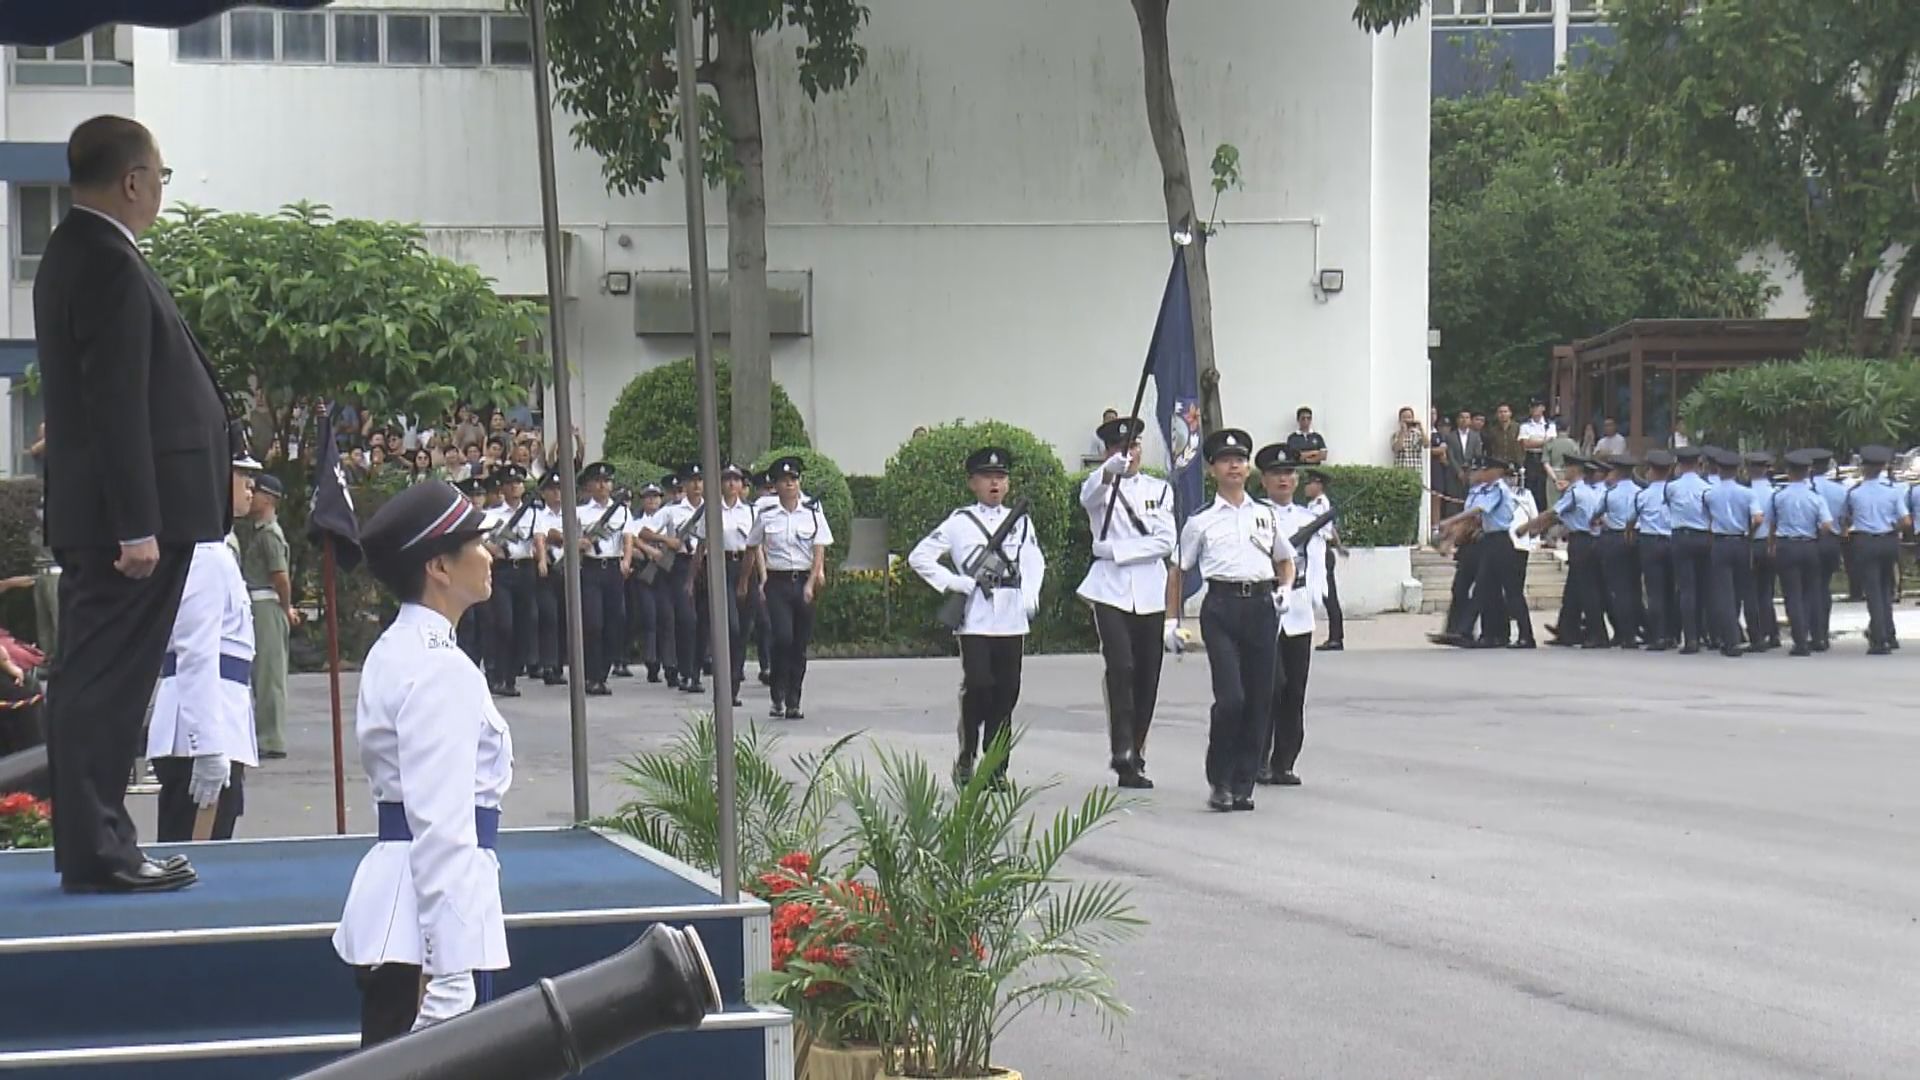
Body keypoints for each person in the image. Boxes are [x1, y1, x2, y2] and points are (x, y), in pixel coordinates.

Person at [38, 116, 231, 895]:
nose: (158, 190)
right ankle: (102, 850)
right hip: (126, 524)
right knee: (106, 685)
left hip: (117, 512)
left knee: (103, 680)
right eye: (161, 176)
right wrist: (137, 524)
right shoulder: (107, 262)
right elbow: (116, 404)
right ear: (133, 180)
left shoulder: (79, 252)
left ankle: (97, 844)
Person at [332, 480, 512, 1047]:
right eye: (476, 544)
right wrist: (450, 970)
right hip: (425, 924)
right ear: (438, 565)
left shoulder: (397, 648)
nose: (489, 556)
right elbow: (441, 826)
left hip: (404, 906)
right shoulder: (442, 669)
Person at [908, 447, 1046, 788]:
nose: (995, 484)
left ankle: (996, 767)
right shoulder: (959, 522)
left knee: (1007, 692)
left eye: (1000, 477)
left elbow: (1032, 560)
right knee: (980, 685)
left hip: (1011, 617)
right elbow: (919, 557)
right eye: (987, 477)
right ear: (973, 483)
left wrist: (1031, 594)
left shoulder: (1020, 522)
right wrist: (956, 582)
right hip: (976, 619)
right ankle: (968, 751)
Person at [148, 446, 261, 843]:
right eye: (240, 474)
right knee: (194, 867)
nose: (251, 485)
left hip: (215, 720)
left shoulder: (215, 551)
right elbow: (196, 652)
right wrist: (209, 746)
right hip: (200, 733)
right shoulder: (205, 554)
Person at [1177, 430, 1294, 812]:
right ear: (1212, 469)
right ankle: (1220, 778)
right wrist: (1170, 620)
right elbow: (1179, 569)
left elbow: (1284, 560)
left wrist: (1286, 588)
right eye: (1226, 460)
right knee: (1231, 699)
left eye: (1240, 460)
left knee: (1261, 698)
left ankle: (1242, 784)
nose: (1234, 466)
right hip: (1222, 607)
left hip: (1261, 605)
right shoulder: (1201, 520)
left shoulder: (1265, 514)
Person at [1075, 418, 1175, 790]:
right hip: (1109, 590)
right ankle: (1121, 750)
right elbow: (1088, 497)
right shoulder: (1101, 487)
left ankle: (1137, 747)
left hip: (1149, 588)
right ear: (1107, 453)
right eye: (1119, 449)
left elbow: (1164, 542)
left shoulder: (1159, 490)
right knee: (1120, 666)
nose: (1127, 454)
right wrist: (1106, 473)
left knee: (1147, 674)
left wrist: (1116, 551)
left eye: (1132, 447)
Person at [1255, 445, 1321, 786]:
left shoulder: (1308, 519)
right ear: (1264, 480)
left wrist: (1316, 598)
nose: (1284, 479)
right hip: (1265, 604)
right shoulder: (1254, 514)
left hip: (1297, 607)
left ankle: (1284, 761)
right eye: (1277, 474)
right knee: (1269, 686)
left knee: (1294, 689)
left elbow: (1319, 560)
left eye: (1289, 473)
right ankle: (1258, 758)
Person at [749, 457, 834, 720]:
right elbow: (753, 546)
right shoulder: (767, 515)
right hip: (778, 581)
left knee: (799, 644)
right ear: (775, 486)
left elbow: (819, 548)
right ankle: (778, 693)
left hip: (803, 581)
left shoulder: (812, 513)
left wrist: (812, 581)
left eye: (794, 479)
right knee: (782, 638)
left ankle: (794, 698)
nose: (790, 484)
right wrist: (754, 579)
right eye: (785, 481)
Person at [235, 471, 297, 759]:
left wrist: (286, 608)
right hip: (258, 604)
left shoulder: (270, 534)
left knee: (268, 674)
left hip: (266, 604)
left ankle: (271, 738)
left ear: (269, 499)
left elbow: (280, 577)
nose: (251, 495)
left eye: (256, 491)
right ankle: (264, 734)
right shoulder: (260, 531)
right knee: (261, 672)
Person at [691, 464, 756, 708]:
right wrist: (692, 578)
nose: (731, 484)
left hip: (745, 567)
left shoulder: (750, 512)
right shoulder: (711, 510)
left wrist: (759, 579)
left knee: (743, 629)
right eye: (727, 479)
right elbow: (701, 546)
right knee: (731, 627)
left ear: (742, 485)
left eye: (736, 480)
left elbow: (756, 547)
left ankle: (733, 685)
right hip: (719, 566)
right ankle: (723, 681)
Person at [1842, 445, 1907, 655]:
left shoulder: (1854, 493)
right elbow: (1905, 520)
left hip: (1865, 542)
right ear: (1883, 467)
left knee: (1873, 591)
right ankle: (1889, 633)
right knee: (1886, 589)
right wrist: (1892, 527)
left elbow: (1846, 518)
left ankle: (1879, 639)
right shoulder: (1892, 492)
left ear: (1864, 467)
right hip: (1888, 541)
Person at [481, 464, 539, 697]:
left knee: (525, 624)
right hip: (503, 571)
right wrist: (492, 548)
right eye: (511, 483)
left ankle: (511, 677)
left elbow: (540, 538)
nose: (516, 487)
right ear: (503, 489)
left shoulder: (533, 513)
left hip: (525, 568)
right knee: (504, 624)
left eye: (518, 483)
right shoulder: (492, 515)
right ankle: (496, 673)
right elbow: (480, 539)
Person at [1771, 450, 1835, 657]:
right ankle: (1816, 636)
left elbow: (1772, 523)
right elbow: (1827, 524)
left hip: (1787, 546)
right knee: (1812, 592)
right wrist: (1815, 533)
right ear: (1808, 471)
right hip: (1809, 546)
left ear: (1788, 471)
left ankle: (1800, 641)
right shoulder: (1815, 497)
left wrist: (1772, 546)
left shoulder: (1779, 496)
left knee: (1793, 595)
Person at [574, 462, 630, 696]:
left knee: (612, 623)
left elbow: (628, 537)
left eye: (606, 481)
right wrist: (580, 544)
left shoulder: (621, 510)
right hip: (591, 568)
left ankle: (602, 675)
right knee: (593, 623)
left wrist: (626, 560)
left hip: (613, 568)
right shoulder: (580, 513)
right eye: (598, 481)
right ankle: (591, 675)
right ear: (589, 485)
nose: (603, 485)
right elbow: (570, 541)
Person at [1703, 448, 1762, 659]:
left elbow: (1707, 521)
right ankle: (1755, 636)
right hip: (1741, 541)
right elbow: (1758, 519)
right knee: (1746, 591)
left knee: (1724, 594)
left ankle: (1731, 640)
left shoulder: (1709, 494)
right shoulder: (1747, 493)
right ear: (1738, 470)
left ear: (1718, 470)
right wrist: (1750, 534)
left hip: (1720, 543)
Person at [1665, 447, 1713, 654]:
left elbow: (1668, 505)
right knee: (1702, 587)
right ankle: (1703, 634)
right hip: (1702, 537)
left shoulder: (1672, 487)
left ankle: (1690, 638)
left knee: (1686, 589)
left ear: (1679, 464)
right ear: (1698, 463)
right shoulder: (1706, 487)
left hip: (1680, 537)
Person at [623, 483, 669, 683]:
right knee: (648, 617)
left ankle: (668, 662)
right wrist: (648, 552)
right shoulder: (635, 521)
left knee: (665, 618)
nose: (652, 500)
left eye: (656, 496)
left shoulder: (668, 520)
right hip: (644, 572)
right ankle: (651, 661)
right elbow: (631, 541)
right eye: (648, 497)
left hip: (665, 573)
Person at [1595, 456, 1642, 649]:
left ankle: (1626, 634)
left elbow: (1596, 513)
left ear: (1617, 472)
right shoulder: (1640, 492)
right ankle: (1637, 629)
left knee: (1619, 589)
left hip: (1614, 539)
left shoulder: (1610, 493)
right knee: (1635, 586)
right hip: (1636, 538)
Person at [1632, 450, 1677, 651]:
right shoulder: (1674, 491)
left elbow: (1631, 519)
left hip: (1650, 543)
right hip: (1672, 541)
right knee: (1671, 590)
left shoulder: (1643, 495)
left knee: (1654, 592)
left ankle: (1657, 636)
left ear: (1651, 470)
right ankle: (1672, 634)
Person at [1742, 452, 1780, 652]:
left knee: (1750, 592)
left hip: (1752, 543)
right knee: (1767, 592)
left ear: (1748, 469)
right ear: (1767, 469)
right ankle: (1772, 632)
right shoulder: (1775, 491)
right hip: (1770, 543)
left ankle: (1757, 635)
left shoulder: (1745, 491)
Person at [532, 472, 568, 685]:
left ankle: (559, 665)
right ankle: (548, 664)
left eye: (560, 488)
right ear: (544, 493)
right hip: (549, 570)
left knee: (565, 618)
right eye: (552, 489)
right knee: (549, 617)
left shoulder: (572, 513)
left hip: (568, 569)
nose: (557, 493)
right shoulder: (538, 515)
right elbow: (539, 539)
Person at [1303, 469, 1344, 651]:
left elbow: (1316, 528)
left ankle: (1336, 637)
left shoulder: (1320, 504)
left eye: (1309, 483)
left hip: (1320, 553)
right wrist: (1340, 545)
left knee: (1329, 596)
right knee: (1326, 595)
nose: (1306, 487)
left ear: (1318, 485)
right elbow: (1331, 527)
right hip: (1319, 552)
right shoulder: (1316, 504)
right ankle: (1335, 636)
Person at [1503, 460, 1539, 649]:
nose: (1511, 479)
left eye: (1513, 476)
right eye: (1508, 476)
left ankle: (1526, 634)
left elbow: (1535, 519)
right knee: (1505, 593)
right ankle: (1504, 633)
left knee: (1515, 592)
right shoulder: (1499, 494)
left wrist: (1533, 542)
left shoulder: (1526, 495)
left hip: (1519, 547)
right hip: (1503, 546)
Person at [1519, 399, 1556, 512]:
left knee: (1543, 489)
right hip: (1530, 459)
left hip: (1545, 458)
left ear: (1543, 408)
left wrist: (1534, 440)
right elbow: (1525, 444)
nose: (1535, 409)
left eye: (1537, 406)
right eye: (1532, 407)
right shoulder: (1525, 425)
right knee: (1530, 487)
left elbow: (1551, 442)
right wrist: (1543, 441)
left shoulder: (1550, 425)